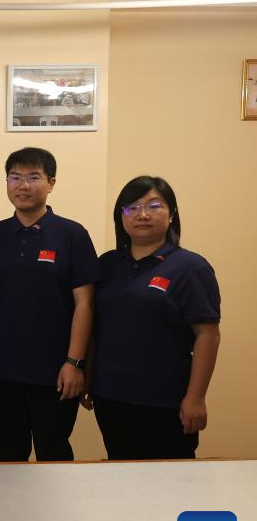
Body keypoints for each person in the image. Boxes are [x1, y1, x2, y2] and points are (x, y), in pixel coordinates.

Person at [85, 176, 220, 460]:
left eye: (154, 206)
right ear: (120, 216)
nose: (142, 214)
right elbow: (95, 327)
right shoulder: (107, 264)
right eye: (131, 208)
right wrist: (87, 378)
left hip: (166, 399)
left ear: (171, 214)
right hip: (110, 395)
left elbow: (208, 335)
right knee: (120, 471)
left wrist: (195, 398)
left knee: (170, 479)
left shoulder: (191, 267)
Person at [0, 147, 100, 462]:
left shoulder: (72, 234)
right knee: (8, 457)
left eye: (33, 177)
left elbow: (85, 304)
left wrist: (74, 363)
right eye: (15, 177)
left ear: (51, 183)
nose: (23, 185)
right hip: (3, 370)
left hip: (56, 370)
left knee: (54, 455)